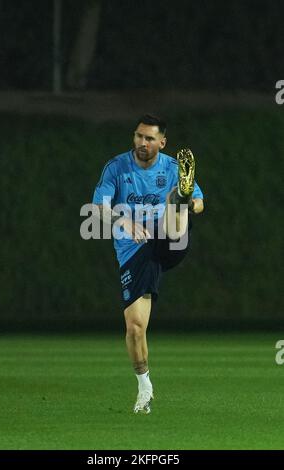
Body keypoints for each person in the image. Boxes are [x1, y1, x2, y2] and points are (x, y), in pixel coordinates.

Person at [92, 114, 204, 414]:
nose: (143, 142)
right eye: (139, 136)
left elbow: (201, 204)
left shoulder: (170, 167)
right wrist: (122, 220)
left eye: (150, 138)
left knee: (176, 201)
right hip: (135, 250)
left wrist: (189, 200)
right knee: (135, 328)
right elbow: (99, 208)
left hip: (170, 237)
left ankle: (180, 194)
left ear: (162, 142)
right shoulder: (116, 167)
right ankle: (145, 388)